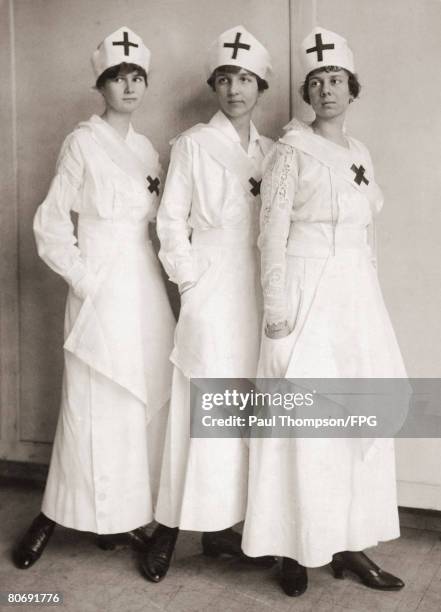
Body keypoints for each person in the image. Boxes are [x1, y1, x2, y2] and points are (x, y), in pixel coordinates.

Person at [241, 27, 406, 596]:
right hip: (307, 291)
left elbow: (368, 234)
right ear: (307, 96)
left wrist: (372, 299)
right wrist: (277, 310)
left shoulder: (359, 153)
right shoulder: (291, 151)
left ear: (351, 89)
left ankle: (350, 542)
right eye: (317, 83)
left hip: (355, 297)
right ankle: (294, 546)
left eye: (336, 80)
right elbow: (271, 234)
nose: (327, 90)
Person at [12, 26, 175, 569]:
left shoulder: (148, 149)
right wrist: (86, 282)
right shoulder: (82, 141)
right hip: (100, 282)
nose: (128, 87)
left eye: (136, 78)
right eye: (116, 78)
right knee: (90, 403)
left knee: (137, 402)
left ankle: (126, 514)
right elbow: (51, 224)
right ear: (101, 86)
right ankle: (55, 513)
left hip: (143, 285)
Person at [140, 26, 274, 582]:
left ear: (259, 86)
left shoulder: (272, 153)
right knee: (200, 404)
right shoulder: (193, 144)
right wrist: (191, 285)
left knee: (245, 409)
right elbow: (170, 221)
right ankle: (170, 528)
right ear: (214, 86)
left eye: (244, 78)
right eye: (225, 79)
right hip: (213, 285)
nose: (234, 89)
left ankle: (227, 528)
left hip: (260, 287)